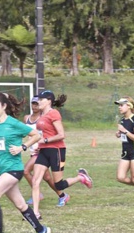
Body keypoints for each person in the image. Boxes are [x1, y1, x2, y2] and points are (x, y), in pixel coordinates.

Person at [0, 92, 50, 233]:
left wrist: (22, 147)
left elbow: (36, 135)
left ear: (4, 106)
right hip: (0, 170)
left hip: (13, 170)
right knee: (21, 205)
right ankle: (41, 229)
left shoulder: (13, 123)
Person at [31, 90, 92, 219]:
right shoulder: (41, 115)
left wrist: (45, 141)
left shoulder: (54, 113)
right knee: (35, 181)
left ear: (49, 101)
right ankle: (35, 213)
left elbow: (61, 135)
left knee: (59, 185)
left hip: (56, 151)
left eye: (41, 100)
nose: (38, 102)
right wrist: (39, 145)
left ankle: (81, 177)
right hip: (43, 151)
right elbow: (42, 134)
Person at [23, 96, 62, 205]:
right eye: (33, 103)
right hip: (33, 151)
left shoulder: (44, 118)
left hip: (42, 151)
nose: (35, 106)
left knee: (25, 171)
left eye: (37, 103)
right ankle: (62, 195)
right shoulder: (26, 118)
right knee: (47, 178)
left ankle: (38, 195)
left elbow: (53, 133)